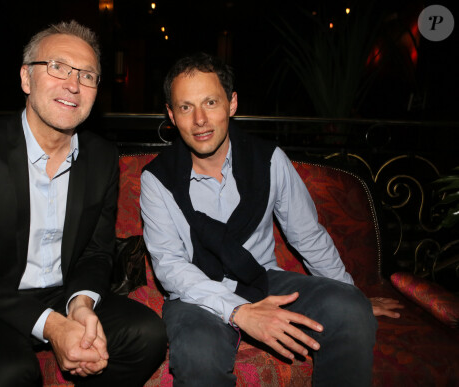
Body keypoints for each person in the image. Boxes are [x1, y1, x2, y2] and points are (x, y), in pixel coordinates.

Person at [0, 20, 167, 387]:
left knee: (147, 334)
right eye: (58, 67)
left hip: (63, 291)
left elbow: (97, 253)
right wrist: (51, 324)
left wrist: (80, 305)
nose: (73, 84)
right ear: (26, 79)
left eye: (88, 75)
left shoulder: (101, 156)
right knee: (6, 373)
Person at [140, 52, 403, 386]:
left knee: (349, 308)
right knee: (198, 354)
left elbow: (307, 235)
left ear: (232, 103)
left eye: (210, 102)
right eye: (185, 107)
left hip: (262, 280)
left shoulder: (269, 160)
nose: (200, 120)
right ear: (171, 115)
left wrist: (352, 295)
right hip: (197, 294)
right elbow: (171, 267)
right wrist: (239, 312)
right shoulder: (157, 178)